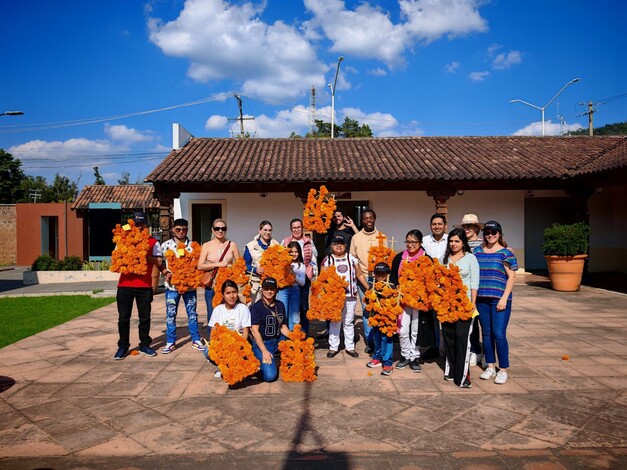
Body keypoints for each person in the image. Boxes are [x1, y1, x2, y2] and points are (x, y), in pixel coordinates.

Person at [114, 211, 163, 360]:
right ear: (131, 224)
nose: (139, 227)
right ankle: (123, 346)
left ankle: (145, 345)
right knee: (123, 318)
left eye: (141, 224)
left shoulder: (153, 241)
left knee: (145, 318)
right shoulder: (122, 240)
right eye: (136, 224)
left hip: (144, 286)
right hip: (124, 285)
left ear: (146, 225)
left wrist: (143, 255)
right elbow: (116, 257)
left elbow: (159, 261)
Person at [474, 220, 518, 385]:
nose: (490, 235)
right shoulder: (477, 252)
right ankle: (491, 366)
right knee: (486, 333)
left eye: (493, 232)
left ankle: (503, 369)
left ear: (499, 234)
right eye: (487, 232)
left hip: (499, 299)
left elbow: (512, 276)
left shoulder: (506, 253)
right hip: (482, 299)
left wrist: (504, 298)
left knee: (499, 334)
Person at [441, 228, 480, 388]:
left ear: (463, 243)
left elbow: (474, 283)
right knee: (448, 338)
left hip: (465, 305)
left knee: (461, 338)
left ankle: (463, 376)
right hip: (446, 305)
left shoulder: (471, 259)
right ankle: (451, 370)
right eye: (451, 241)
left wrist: (473, 303)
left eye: (457, 241)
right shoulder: (444, 259)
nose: (453, 244)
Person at [160, 218, 204, 354]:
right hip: (172, 287)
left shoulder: (194, 246)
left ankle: (196, 339)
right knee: (171, 314)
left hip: (190, 287)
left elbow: (199, 264)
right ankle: (170, 341)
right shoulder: (165, 245)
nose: (181, 232)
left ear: (187, 230)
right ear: (173, 229)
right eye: (178, 229)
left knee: (192, 313)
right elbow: (159, 262)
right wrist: (165, 271)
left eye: (184, 229)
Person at [322, 235, 369, 358]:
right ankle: (333, 347)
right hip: (334, 298)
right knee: (335, 321)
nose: (339, 245)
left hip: (350, 296)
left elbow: (359, 274)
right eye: (336, 243)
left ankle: (350, 347)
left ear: (345, 245)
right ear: (332, 246)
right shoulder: (327, 260)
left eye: (341, 243)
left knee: (348, 321)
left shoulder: (352, 259)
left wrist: (369, 288)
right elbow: (323, 279)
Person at [389, 229, 427, 372]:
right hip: (403, 300)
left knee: (416, 329)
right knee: (403, 330)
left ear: (420, 243)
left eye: (413, 242)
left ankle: (414, 357)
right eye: (408, 242)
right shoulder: (399, 257)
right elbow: (393, 278)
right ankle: (405, 355)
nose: (410, 245)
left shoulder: (426, 258)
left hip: (419, 301)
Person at [350, 209, 386, 354]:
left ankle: (380, 338)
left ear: (375, 219)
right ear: (362, 220)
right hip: (363, 277)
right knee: (366, 309)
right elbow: (353, 259)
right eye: (365, 218)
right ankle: (370, 340)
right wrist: (364, 281)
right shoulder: (356, 238)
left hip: (380, 279)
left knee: (380, 307)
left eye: (371, 217)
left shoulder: (381, 237)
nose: (368, 220)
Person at [198, 219, 240, 335]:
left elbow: (239, 265)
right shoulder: (207, 246)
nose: (220, 231)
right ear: (212, 229)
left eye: (223, 228)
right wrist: (217, 264)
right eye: (217, 228)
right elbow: (200, 266)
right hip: (212, 286)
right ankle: (213, 342)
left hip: (227, 286)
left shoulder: (232, 245)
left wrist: (231, 269)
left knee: (229, 314)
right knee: (212, 315)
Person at [455, 214, 484, 364]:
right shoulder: (461, 243)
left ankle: (481, 351)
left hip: (481, 287)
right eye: (464, 226)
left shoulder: (484, 243)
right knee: (469, 322)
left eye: (469, 226)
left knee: (480, 322)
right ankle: (471, 349)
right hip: (465, 290)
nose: (466, 229)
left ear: (476, 228)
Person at [208, 279, 252, 378]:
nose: (231, 296)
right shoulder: (217, 310)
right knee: (208, 352)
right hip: (222, 344)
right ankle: (223, 366)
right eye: (228, 293)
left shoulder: (243, 308)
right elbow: (213, 333)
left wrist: (238, 347)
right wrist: (214, 347)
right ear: (223, 295)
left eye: (234, 292)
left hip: (238, 343)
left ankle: (235, 366)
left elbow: (245, 333)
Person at [281, 218, 318, 334]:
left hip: (303, 276)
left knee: (303, 307)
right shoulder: (285, 242)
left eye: (299, 227)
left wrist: (313, 274)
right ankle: (289, 332)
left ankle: (304, 333)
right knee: (290, 308)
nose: (297, 230)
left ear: (302, 228)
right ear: (291, 229)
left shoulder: (308, 242)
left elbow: (313, 258)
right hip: (289, 279)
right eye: (294, 228)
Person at [250, 277, 291, 382]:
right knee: (270, 377)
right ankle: (257, 361)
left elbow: (283, 327)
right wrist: (264, 351)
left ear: (276, 290)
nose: (269, 291)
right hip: (263, 343)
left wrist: (295, 338)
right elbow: (254, 331)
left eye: (272, 289)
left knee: (301, 334)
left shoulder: (280, 305)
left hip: (277, 340)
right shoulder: (256, 307)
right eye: (266, 288)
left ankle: (275, 357)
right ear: (262, 290)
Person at [421, 213, 448, 359]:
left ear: (445, 225)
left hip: (446, 283)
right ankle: (434, 347)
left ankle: (448, 346)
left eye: (439, 224)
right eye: (434, 224)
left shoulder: (451, 239)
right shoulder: (424, 241)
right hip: (429, 284)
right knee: (432, 317)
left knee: (446, 316)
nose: (437, 227)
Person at [366, 262, 396, 376]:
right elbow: (368, 301)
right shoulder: (372, 285)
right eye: (378, 274)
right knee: (376, 338)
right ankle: (377, 357)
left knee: (386, 339)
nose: (380, 276)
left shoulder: (392, 286)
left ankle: (388, 362)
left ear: (387, 274)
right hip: (375, 317)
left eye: (383, 274)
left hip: (387, 319)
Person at [243, 220, 279, 303]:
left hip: (271, 285)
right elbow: (245, 265)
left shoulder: (276, 245)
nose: (267, 232)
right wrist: (255, 269)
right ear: (260, 231)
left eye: (269, 230)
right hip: (255, 284)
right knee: (253, 309)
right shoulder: (250, 246)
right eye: (265, 230)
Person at [276, 241, 306, 330]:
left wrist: (293, 274)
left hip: (295, 290)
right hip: (283, 290)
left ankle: (294, 336)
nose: (294, 254)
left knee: (294, 316)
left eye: (296, 252)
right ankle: (282, 336)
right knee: (282, 313)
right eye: (291, 251)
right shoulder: (283, 263)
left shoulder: (301, 266)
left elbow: (302, 283)